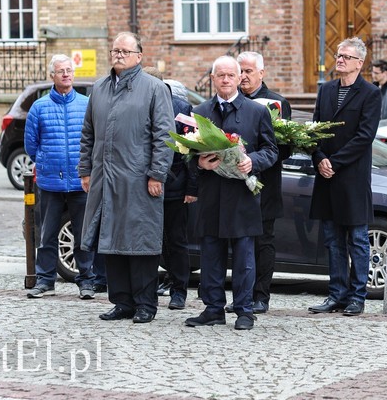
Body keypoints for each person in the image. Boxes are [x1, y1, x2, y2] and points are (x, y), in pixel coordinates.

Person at [79, 32, 174, 324]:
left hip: (139, 179)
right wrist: (85, 170)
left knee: (141, 242)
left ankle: (146, 304)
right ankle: (122, 302)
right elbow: (88, 133)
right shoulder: (99, 88)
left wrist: (157, 174)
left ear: (139, 56)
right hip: (105, 179)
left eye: (125, 51)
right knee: (111, 241)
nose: (118, 55)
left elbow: (165, 136)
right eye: (115, 50)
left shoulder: (154, 88)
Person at [184, 56, 277, 330]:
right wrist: (198, 163)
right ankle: (213, 309)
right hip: (211, 194)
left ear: (239, 79)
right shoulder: (199, 112)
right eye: (220, 75)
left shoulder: (256, 111)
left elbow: (271, 150)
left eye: (230, 75)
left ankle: (244, 310)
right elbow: (185, 153)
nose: (225, 80)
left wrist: (252, 161)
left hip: (242, 196)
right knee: (210, 256)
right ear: (213, 79)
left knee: (244, 258)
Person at [307, 37, 381, 316]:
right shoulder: (326, 90)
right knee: (332, 240)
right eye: (338, 55)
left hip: (352, 177)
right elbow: (315, 129)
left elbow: (364, 136)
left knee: (357, 240)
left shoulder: (370, 93)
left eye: (346, 57)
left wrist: (334, 162)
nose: (339, 59)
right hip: (326, 177)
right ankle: (336, 294)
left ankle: (357, 297)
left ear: (359, 63)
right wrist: (318, 158)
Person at [24, 54, 97, 300]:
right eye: (61, 71)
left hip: (80, 181)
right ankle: (45, 281)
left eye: (69, 70)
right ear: (52, 76)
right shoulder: (39, 107)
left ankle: (86, 281)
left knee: (83, 235)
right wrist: (45, 161)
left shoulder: (86, 104)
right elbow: (31, 145)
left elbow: (94, 139)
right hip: (50, 181)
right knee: (47, 234)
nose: (66, 74)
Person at [231, 51, 292, 314]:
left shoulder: (277, 103)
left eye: (248, 71)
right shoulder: (232, 101)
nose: (243, 76)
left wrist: (257, 155)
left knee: (263, 241)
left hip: (265, 182)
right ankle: (241, 296)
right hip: (235, 182)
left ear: (261, 73)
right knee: (238, 241)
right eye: (240, 71)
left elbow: (285, 149)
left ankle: (260, 296)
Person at [142, 66, 197, 311]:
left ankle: (179, 290)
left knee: (176, 240)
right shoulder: (138, 105)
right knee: (149, 241)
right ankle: (148, 288)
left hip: (175, 185)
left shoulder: (181, 109)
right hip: (143, 186)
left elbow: (192, 150)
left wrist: (192, 187)